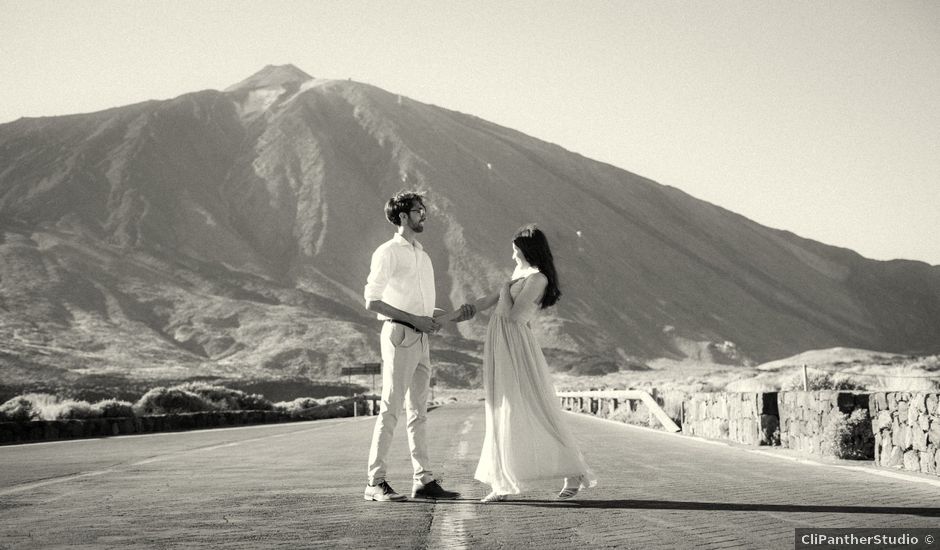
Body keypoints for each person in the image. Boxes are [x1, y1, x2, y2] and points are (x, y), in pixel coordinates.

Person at [469, 224, 597, 502]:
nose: (512, 253)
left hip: (515, 344)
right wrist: (457, 314)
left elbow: (514, 315)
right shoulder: (520, 275)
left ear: (527, 249)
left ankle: (574, 470)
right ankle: (502, 481)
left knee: (536, 408)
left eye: (515, 248)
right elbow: (487, 301)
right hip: (501, 343)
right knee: (501, 409)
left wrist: (503, 289)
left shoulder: (538, 279)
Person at [362, 191, 476, 502]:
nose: (423, 215)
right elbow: (372, 301)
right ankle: (375, 482)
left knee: (419, 413)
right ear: (402, 217)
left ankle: (423, 481)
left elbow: (426, 313)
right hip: (399, 335)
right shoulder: (388, 252)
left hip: (422, 339)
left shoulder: (422, 255)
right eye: (418, 211)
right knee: (390, 409)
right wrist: (414, 318)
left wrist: (452, 316)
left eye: (423, 210)